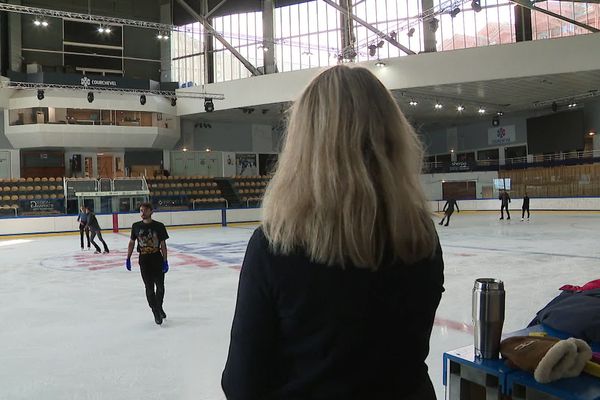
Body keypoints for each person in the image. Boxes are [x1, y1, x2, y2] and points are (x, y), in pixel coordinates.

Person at [222, 65, 444, 400]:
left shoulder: (275, 245)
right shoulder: (420, 237)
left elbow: (242, 385)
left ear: (303, 144)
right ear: (393, 138)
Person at [126, 202, 169, 325]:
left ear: (151, 211)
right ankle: (155, 311)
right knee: (149, 287)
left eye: (144, 210)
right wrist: (128, 258)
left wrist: (165, 260)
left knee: (160, 286)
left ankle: (159, 306)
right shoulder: (135, 226)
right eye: (140, 210)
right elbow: (131, 243)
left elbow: (163, 245)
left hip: (157, 258)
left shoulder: (159, 226)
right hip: (144, 260)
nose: (142, 213)